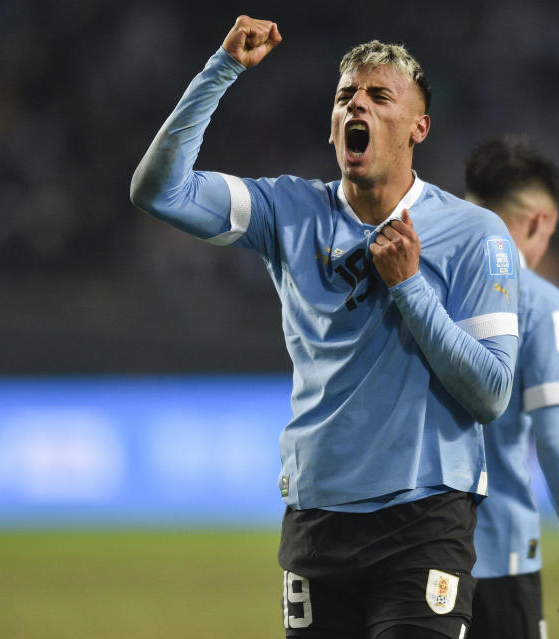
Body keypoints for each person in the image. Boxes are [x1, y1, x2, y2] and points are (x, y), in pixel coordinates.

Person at [131, 16, 521, 639]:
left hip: (425, 518)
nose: (355, 104)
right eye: (345, 97)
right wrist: (221, 69)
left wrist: (409, 288)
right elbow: (159, 190)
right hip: (317, 517)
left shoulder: (475, 236)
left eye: (378, 96)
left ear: (419, 127)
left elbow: (492, 393)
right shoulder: (288, 211)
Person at [463, 136, 559, 638]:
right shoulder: (539, 301)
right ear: (539, 221)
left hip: (402, 557)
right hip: (496, 553)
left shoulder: (412, 276)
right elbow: (555, 440)